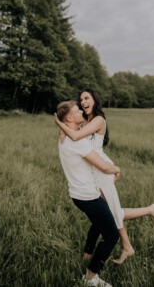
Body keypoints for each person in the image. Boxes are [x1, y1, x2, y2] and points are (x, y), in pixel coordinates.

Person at [54, 88, 154, 265]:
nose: (83, 102)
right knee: (108, 213)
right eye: (80, 99)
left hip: (102, 170)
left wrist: (59, 122)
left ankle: (133, 237)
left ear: (94, 100)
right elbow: (70, 132)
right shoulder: (85, 121)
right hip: (94, 171)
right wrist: (63, 126)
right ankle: (121, 245)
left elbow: (73, 135)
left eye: (86, 98)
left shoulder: (98, 120)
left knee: (113, 212)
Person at [56, 100, 120, 287]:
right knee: (112, 236)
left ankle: (88, 251)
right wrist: (117, 168)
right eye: (77, 110)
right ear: (70, 118)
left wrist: (60, 124)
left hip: (79, 194)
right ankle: (91, 277)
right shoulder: (77, 143)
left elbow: (76, 128)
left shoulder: (64, 137)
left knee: (100, 221)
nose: (81, 111)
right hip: (87, 196)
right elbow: (103, 166)